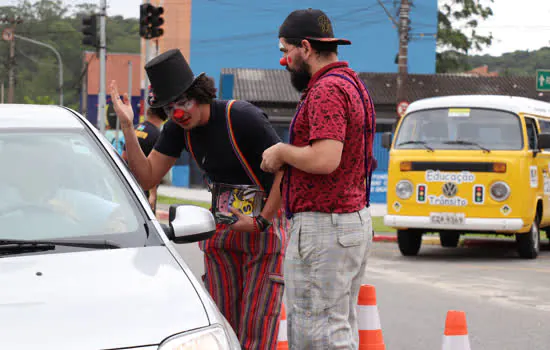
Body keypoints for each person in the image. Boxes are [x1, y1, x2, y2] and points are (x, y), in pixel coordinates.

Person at [109, 48, 288, 350]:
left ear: (199, 93)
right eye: (169, 107)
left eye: (182, 103)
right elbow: (148, 176)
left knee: (257, 330)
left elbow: (285, 170)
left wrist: (261, 221)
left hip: (262, 230)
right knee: (221, 327)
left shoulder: (242, 117)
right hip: (223, 229)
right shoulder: (178, 129)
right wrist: (127, 126)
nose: (178, 113)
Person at [261, 8, 377, 349]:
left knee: (317, 334)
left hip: (326, 226)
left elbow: (326, 159)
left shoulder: (326, 90)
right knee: (335, 329)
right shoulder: (351, 83)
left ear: (306, 48)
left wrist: (282, 152)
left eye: (286, 51)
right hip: (349, 222)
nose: (284, 60)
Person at [122, 93, 168, 213]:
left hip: (128, 187)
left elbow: (124, 157)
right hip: (144, 191)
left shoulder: (135, 129)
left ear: (149, 112)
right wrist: (153, 194)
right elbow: (154, 168)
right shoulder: (158, 135)